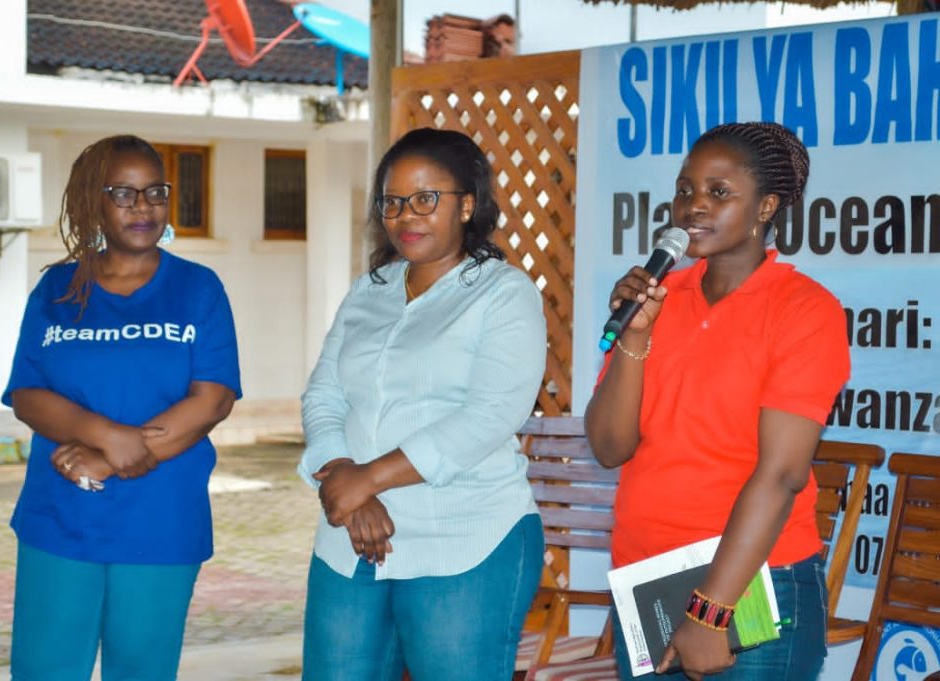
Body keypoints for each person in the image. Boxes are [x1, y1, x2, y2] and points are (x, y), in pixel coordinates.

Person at [585, 122, 850, 680]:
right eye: (685, 190)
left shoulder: (804, 309)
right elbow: (609, 448)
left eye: (718, 192)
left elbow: (781, 475)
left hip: (750, 584)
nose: (693, 206)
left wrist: (711, 611)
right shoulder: (657, 300)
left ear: (766, 206)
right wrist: (636, 336)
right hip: (647, 580)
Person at [298, 127, 547, 681]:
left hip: (463, 538)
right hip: (350, 536)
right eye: (392, 202)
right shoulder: (370, 290)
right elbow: (324, 394)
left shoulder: (504, 293)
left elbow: (488, 416)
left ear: (467, 205)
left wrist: (368, 478)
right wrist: (345, 477)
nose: (405, 215)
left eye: (425, 199)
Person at [2, 134, 241, 681]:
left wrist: (109, 460)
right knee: (44, 670)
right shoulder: (56, 290)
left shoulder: (198, 289)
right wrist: (106, 434)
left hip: (160, 519)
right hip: (59, 517)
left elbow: (212, 399)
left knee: (142, 670)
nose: (143, 207)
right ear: (94, 201)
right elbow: (27, 394)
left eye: (155, 192)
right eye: (123, 193)